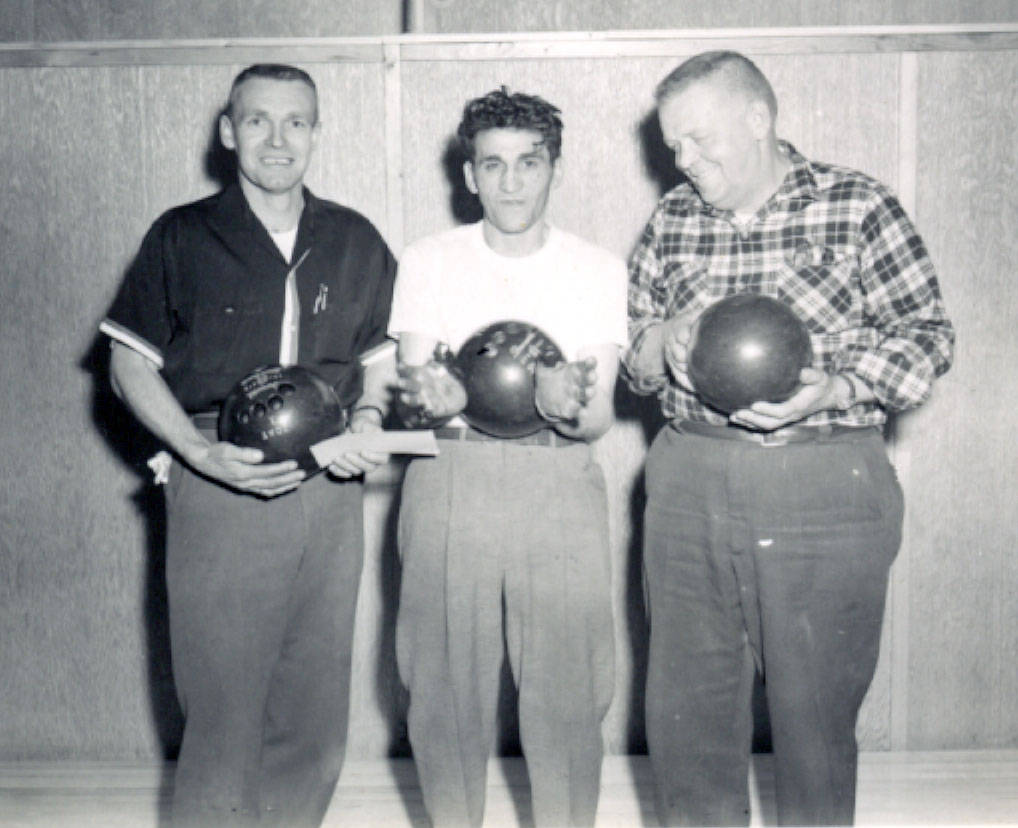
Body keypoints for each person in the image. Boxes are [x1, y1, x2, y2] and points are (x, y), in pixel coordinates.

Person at [622, 51, 954, 826]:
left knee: (814, 725)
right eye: (673, 146)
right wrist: (662, 336)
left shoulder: (858, 204)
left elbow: (929, 337)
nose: (684, 161)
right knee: (688, 718)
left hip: (823, 480)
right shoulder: (672, 220)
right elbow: (635, 362)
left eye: (699, 140)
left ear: (759, 118)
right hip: (690, 481)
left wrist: (836, 386)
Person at [99, 64, 396, 826]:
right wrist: (196, 456)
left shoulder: (354, 238)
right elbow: (129, 361)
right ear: (228, 132)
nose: (277, 139)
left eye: (296, 122)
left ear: (315, 134)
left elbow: (383, 363)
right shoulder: (182, 234)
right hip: (219, 472)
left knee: (314, 709)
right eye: (257, 120)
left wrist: (368, 425)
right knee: (224, 707)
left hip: (329, 485)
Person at [387, 87, 628, 826]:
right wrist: (434, 396)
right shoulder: (427, 260)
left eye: (529, 162)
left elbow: (597, 417)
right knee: (443, 684)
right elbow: (413, 396)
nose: (512, 181)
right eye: (493, 165)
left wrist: (566, 401)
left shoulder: (596, 266)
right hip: (450, 476)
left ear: (555, 167)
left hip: (556, 476)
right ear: (469, 175)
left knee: (565, 689)